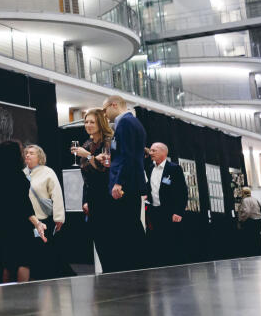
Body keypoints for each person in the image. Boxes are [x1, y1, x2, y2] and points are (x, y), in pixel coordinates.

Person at [0, 140, 47, 283]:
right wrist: (37, 223)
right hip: (20, 225)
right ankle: (22, 297)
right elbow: (24, 206)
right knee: (23, 262)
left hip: (4, 224)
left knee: (8, 263)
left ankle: (4, 302)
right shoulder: (18, 176)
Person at [102, 94, 148, 271]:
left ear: (114, 105)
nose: (105, 115)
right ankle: (137, 264)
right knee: (130, 223)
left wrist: (119, 182)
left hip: (126, 183)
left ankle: (138, 264)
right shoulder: (130, 122)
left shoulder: (126, 123)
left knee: (129, 225)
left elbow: (127, 156)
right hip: (130, 181)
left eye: (105, 110)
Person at [70, 107, 116, 271]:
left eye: (92, 122)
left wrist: (88, 156)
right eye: (86, 122)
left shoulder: (108, 141)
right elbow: (86, 177)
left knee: (110, 241)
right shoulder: (87, 144)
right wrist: (85, 200)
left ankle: (115, 275)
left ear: (100, 123)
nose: (88, 125)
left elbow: (104, 168)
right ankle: (107, 275)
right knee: (99, 241)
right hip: (93, 198)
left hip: (108, 197)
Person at [23, 144, 66, 277]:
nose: (27, 155)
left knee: (44, 251)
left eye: (31, 153)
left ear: (40, 157)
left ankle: (46, 278)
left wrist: (59, 217)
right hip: (26, 220)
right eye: (26, 153)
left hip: (43, 219)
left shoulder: (48, 172)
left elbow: (57, 195)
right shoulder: (22, 173)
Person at [144, 142, 186, 268]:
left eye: (154, 151)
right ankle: (158, 266)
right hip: (154, 210)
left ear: (164, 153)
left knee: (170, 240)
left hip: (169, 211)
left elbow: (182, 192)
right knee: (156, 240)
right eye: (150, 150)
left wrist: (179, 211)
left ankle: (174, 266)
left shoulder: (174, 169)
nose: (151, 153)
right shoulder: (149, 168)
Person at [234, 186, 261, 258]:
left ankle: (251, 252)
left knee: (250, 236)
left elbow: (247, 211)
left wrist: (242, 219)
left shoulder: (245, 200)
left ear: (243, 193)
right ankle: (259, 251)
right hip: (259, 220)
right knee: (257, 235)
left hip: (251, 220)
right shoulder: (255, 199)